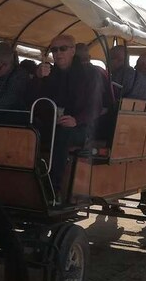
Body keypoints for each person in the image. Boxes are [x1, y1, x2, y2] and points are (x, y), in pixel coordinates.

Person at [29, 34, 104, 192]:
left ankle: (53, 187)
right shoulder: (49, 72)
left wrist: (76, 120)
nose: (58, 53)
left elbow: (95, 105)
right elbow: (35, 100)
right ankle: (26, 177)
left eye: (63, 49)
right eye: (54, 50)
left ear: (73, 51)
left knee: (62, 134)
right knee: (28, 130)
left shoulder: (90, 73)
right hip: (52, 122)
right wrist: (38, 79)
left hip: (81, 127)